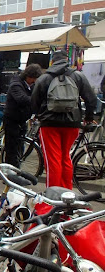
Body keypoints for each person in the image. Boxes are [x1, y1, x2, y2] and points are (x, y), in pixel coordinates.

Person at [31, 50, 98, 189]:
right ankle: (67, 192)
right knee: (65, 157)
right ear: (67, 61)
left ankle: (53, 196)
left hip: (49, 124)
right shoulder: (78, 76)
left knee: (53, 160)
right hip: (72, 123)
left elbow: (34, 101)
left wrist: (39, 115)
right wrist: (88, 118)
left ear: (52, 62)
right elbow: (91, 99)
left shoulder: (44, 78)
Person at [2, 64, 42, 168]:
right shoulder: (16, 84)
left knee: (20, 146)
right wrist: (37, 100)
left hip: (22, 119)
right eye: (33, 79)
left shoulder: (30, 85)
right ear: (27, 75)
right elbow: (22, 99)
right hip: (12, 119)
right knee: (11, 148)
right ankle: (9, 172)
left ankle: (16, 169)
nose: (34, 81)